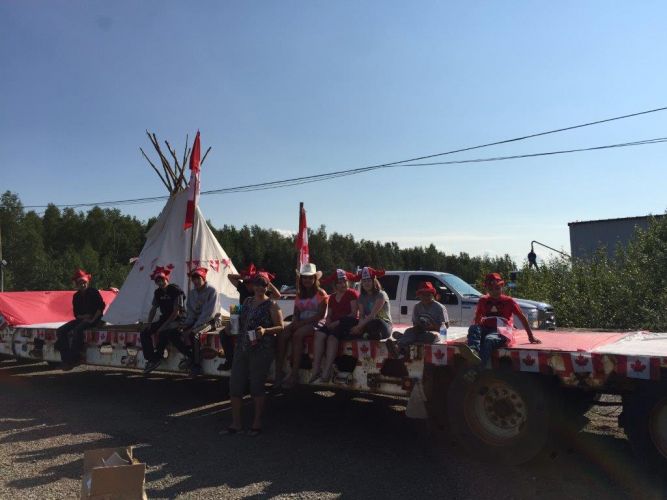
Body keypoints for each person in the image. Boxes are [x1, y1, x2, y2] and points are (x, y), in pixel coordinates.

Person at [224, 271, 284, 436]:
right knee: (235, 385)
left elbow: (281, 327)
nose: (259, 287)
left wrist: (265, 330)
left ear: (267, 287)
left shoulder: (272, 305)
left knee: (257, 387)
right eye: (256, 284)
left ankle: (257, 423)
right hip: (242, 348)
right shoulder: (247, 301)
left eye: (263, 284)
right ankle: (236, 423)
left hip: (261, 350)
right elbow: (237, 319)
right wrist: (229, 327)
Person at [466, 272, 541, 367]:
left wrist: (531, 336)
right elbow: (477, 318)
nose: (494, 292)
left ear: (502, 286)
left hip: (502, 330)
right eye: (490, 289)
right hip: (486, 328)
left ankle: (477, 369)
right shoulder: (483, 301)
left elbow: (522, 317)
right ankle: (473, 352)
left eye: (497, 288)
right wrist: (472, 337)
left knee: (489, 340)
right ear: (487, 289)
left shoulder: (509, 301)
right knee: (473, 328)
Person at [219, 263, 281, 371]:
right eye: (246, 282)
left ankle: (247, 361)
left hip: (257, 318)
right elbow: (229, 276)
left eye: (251, 282)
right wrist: (245, 276)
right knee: (225, 333)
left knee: (248, 336)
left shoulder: (260, 289)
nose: (248, 284)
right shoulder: (242, 287)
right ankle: (230, 360)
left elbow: (278, 295)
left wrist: (266, 281)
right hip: (241, 314)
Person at [277, 263, 328, 388]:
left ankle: (294, 374)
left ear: (315, 279)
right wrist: (295, 321)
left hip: (316, 322)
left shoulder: (321, 293)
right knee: (283, 333)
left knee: (298, 335)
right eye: (305, 277)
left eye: (310, 277)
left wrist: (300, 324)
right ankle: (279, 371)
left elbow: (320, 315)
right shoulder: (300, 294)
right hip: (302, 321)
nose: (307, 280)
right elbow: (296, 312)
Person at [165, 267, 218, 375]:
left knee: (195, 334)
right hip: (196, 320)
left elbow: (208, 314)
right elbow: (191, 312)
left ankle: (197, 365)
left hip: (211, 320)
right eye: (194, 279)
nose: (196, 281)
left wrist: (192, 328)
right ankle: (191, 356)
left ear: (203, 278)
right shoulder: (192, 293)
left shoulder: (212, 291)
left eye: (198, 278)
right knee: (172, 333)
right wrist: (185, 325)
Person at [309, 269, 359, 383]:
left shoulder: (351, 293)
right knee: (319, 333)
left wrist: (337, 322)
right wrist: (328, 321)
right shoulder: (332, 297)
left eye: (344, 282)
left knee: (332, 337)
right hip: (334, 323)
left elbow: (353, 313)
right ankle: (316, 369)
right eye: (339, 282)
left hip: (347, 322)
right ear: (335, 285)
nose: (342, 284)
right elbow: (329, 314)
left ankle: (326, 372)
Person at [55, 269, 106, 370]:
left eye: (84, 282)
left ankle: (75, 358)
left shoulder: (94, 292)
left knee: (77, 330)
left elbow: (101, 308)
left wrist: (91, 320)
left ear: (87, 282)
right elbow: (76, 314)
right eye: (80, 283)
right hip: (83, 319)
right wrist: (84, 317)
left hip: (95, 319)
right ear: (77, 284)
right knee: (61, 330)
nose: (82, 285)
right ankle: (66, 360)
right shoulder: (76, 296)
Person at [387, 281, 448, 359]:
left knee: (429, 337)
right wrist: (418, 328)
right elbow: (415, 324)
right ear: (419, 296)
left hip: (435, 333)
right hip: (421, 332)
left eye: (428, 295)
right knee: (409, 331)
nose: (426, 297)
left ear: (432, 295)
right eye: (423, 295)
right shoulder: (417, 307)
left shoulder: (440, 307)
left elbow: (446, 326)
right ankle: (397, 347)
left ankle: (401, 338)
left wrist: (433, 326)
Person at [141, 267, 185, 374]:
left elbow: (176, 313)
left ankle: (159, 355)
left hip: (178, 319)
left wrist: (163, 326)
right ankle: (152, 359)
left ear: (166, 279)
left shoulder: (176, 291)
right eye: (157, 281)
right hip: (165, 317)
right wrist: (149, 323)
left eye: (162, 280)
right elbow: (153, 309)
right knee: (145, 333)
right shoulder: (158, 293)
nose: (160, 283)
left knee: (163, 332)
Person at [350, 267, 392, 340]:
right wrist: (359, 327)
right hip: (369, 324)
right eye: (364, 281)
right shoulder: (361, 297)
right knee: (350, 322)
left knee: (375, 322)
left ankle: (367, 335)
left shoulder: (381, 295)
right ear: (362, 283)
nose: (367, 283)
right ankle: (366, 335)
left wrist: (359, 327)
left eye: (369, 280)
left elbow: (372, 315)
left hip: (383, 325)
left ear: (374, 282)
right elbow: (362, 315)